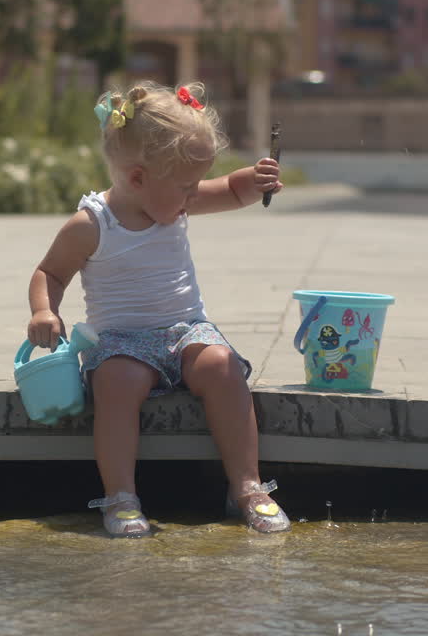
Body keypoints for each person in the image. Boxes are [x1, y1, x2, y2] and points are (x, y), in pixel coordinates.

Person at [25, 81, 289, 538]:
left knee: (223, 365)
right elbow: (50, 272)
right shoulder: (92, 224)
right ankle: (120, 495)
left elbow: (230, 189)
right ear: (137, 178)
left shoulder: (174, 201)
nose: (194, 195)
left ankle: (248, 486)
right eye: (187, 187)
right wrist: (43, 311)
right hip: (122, 342)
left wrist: (255, 179)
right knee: (116, 381)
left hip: (186, 330)